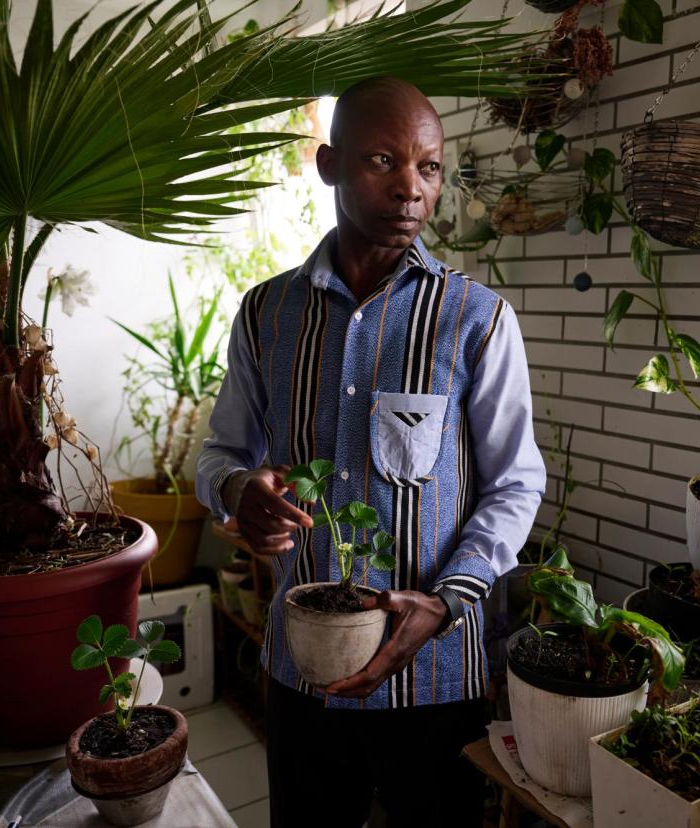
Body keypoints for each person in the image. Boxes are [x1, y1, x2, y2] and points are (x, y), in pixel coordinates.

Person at [196, 76, 545, 828]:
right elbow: (222, 453)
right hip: (302, 666)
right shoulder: (267, 313)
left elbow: (515, 484)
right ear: (329, 165)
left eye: (429, 168)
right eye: (382, 161)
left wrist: (452, 597)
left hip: (433, 675)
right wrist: (238, 492)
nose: (411, 190)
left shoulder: (476, 319)